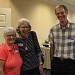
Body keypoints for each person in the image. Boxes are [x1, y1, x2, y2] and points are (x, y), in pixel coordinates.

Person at [48, 5, 75, 75]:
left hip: (70, 63)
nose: (60, 15)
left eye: (62, 12)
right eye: (57, 13)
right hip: (56, 62)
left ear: (66, 13)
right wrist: (52, 61)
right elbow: (52, 47)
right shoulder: (53, 29)